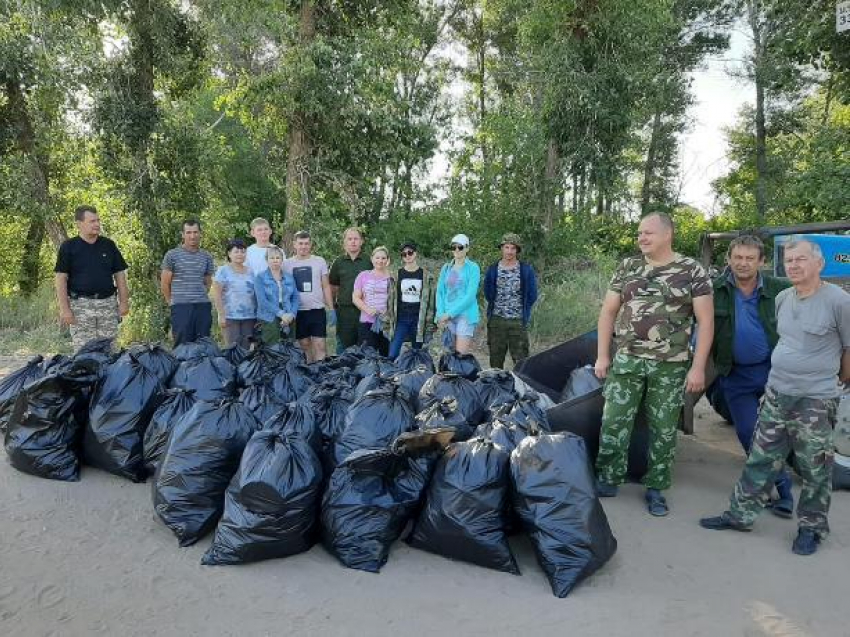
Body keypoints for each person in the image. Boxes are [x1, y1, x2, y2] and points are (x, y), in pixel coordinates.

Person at [700, 238, 850, 555]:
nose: (794, 265)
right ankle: (739, 515)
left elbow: (849, 351)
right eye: (790, 260)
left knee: (814, 469)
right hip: (777, 392)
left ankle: (812, 528)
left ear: (819, 263)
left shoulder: (838, 301)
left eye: (801, 260)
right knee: (760, 457)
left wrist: (836, 382)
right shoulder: (783, 298)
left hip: (814, 400)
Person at [594, 213, 713, 517]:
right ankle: (609, 477)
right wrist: (603, 355)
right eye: (639, 233)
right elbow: (608, 312)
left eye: (648, 233)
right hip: (628, 359)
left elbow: (706, 321)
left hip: (670, 365)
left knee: (663, 429)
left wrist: (698, 367)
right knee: (614, 420)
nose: (641, 238)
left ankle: (656, 486)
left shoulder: (691, 270)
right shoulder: (628, 267)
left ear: (667, 234)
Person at [706, 235, 793, 517]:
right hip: (735, 375)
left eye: (750, 258)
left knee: (777, 433)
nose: (743, 264)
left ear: (761, 262)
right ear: (729, 260)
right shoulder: (713, 291)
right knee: (747, 432)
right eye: (738, 258)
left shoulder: (781, 290)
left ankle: (784, 495)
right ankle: (780, 484)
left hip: (773, 372)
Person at [54, 205, 129, 351]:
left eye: (98, 220)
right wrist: (65, 309)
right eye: (92, 221)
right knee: (84, 354)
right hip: (81, 307)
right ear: (79, 224)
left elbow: (120, 275)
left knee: (110, 352)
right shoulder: (69, 247)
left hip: (107, 305)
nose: (97, 224)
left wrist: (124, 302)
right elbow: (60, 278)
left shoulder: (108, 245)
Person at [483, 232, 538, 369]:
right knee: (495, 361)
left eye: (513, 248)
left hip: (517, 321)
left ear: (517, 250)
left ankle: (522, 388)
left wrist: (521, 311)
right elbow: (488, 293)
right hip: (496, 320)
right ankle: (495, 387)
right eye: (506, 247)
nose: (509, 251)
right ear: (501, 248)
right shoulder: (493, 270)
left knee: (521, 362)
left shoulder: (525, 270)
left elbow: (532, 295)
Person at [160, 219, 215, 346]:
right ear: (183, 234)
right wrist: (171, 302)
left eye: (195, 232)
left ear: (200, 233)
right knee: (182, 346)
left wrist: (198, 295)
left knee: (203, 344)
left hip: (202, 306)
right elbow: (164, 283)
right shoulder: (172, 255)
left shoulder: (206, 256)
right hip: (181, 306)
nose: (192, 236)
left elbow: (208, 281)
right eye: (188, 232)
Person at [283, 230, 334, 362]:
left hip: (317, 309)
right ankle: (310, 372)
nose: (303, 246)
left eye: (306, 243)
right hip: (298, 311)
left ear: (310, 244)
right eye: (300, 243)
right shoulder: (286, 264)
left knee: (320, 344)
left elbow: (326, 286)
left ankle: (321, 373)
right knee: (304, 345)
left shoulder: (319, 261)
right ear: (294, 244)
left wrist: (332, 308)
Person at [386, 241, 437, 360]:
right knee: (392, 354)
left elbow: (431, 301)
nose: (407, 256)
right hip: (401, 319)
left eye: (410, 252)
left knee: (417, 354)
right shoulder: (396, 275)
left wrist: (431, 323)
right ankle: (390, 376)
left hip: (418, 320)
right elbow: (390, 300)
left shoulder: (426, 276)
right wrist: (387, 320)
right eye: (404, 254)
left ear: (415, 254)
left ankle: (415, 377)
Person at [435, 233, 480, 354]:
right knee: (448, 354)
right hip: (447, 316)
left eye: (460, 247)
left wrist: (450, 314)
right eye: (453, 247)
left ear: (467, 248)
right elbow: (440, 292)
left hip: (464, 315)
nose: (456, 250)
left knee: (459, 356)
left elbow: (470, 296)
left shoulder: (473, 268)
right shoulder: (446, 268)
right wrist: (440, 314)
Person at [329, 227, 371, 352]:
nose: (353, 242)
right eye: (350, 239)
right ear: (344, 242)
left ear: (361, 241)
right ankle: (342, 370)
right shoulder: (338, 262)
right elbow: (333, 286)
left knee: (364, 345)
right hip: (344, 311)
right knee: (343, 345)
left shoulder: (369, 261)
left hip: (364, 311)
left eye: (356, 239)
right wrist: (333, 307)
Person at [211, 239, 257, 349]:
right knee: (232, 349)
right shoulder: (223, 271)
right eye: (236, 252)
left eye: (243, 252)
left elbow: (255, 294)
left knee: (246, 349)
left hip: (250, 317)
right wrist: (221, 315)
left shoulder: (251, 271)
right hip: (230, 318)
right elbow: (216, 294)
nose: (240, 254)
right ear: (229, 254)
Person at [352, 246, 393, 357]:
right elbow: (355, 298)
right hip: (367, 322)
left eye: (383, 258)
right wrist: (368, 309)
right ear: (372, 259)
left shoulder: (393, 278)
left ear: (388, 260)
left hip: (387, 324)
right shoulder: (363, 276)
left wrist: (388, 313)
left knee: (387, 356)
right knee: (367, 356)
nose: (380, 261)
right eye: (377, 257)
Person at [255, 247, 299, 344]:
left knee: (289, 347)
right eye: (272, 258)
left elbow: (295, 297)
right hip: (269, 316)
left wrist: (292, 314)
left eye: (278, 258)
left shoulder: (289, 277)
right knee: (272, 348)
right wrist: (281, 314)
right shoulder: (260, 277)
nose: (275, 260)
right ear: (267, 260)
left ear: (282, 260)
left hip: (288, 315)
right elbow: (262, 301)